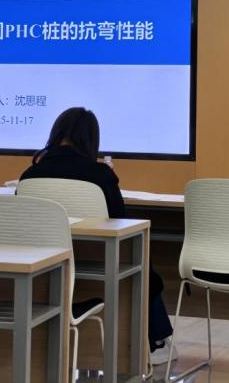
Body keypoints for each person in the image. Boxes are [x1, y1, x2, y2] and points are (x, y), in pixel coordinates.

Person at [19, 107, 176, 364]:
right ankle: (156, 340)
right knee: (143, 263)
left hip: (45, 266)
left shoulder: (30, 176)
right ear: (91, 139)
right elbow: (121, 222)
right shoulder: (100, 175)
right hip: (104, 262)